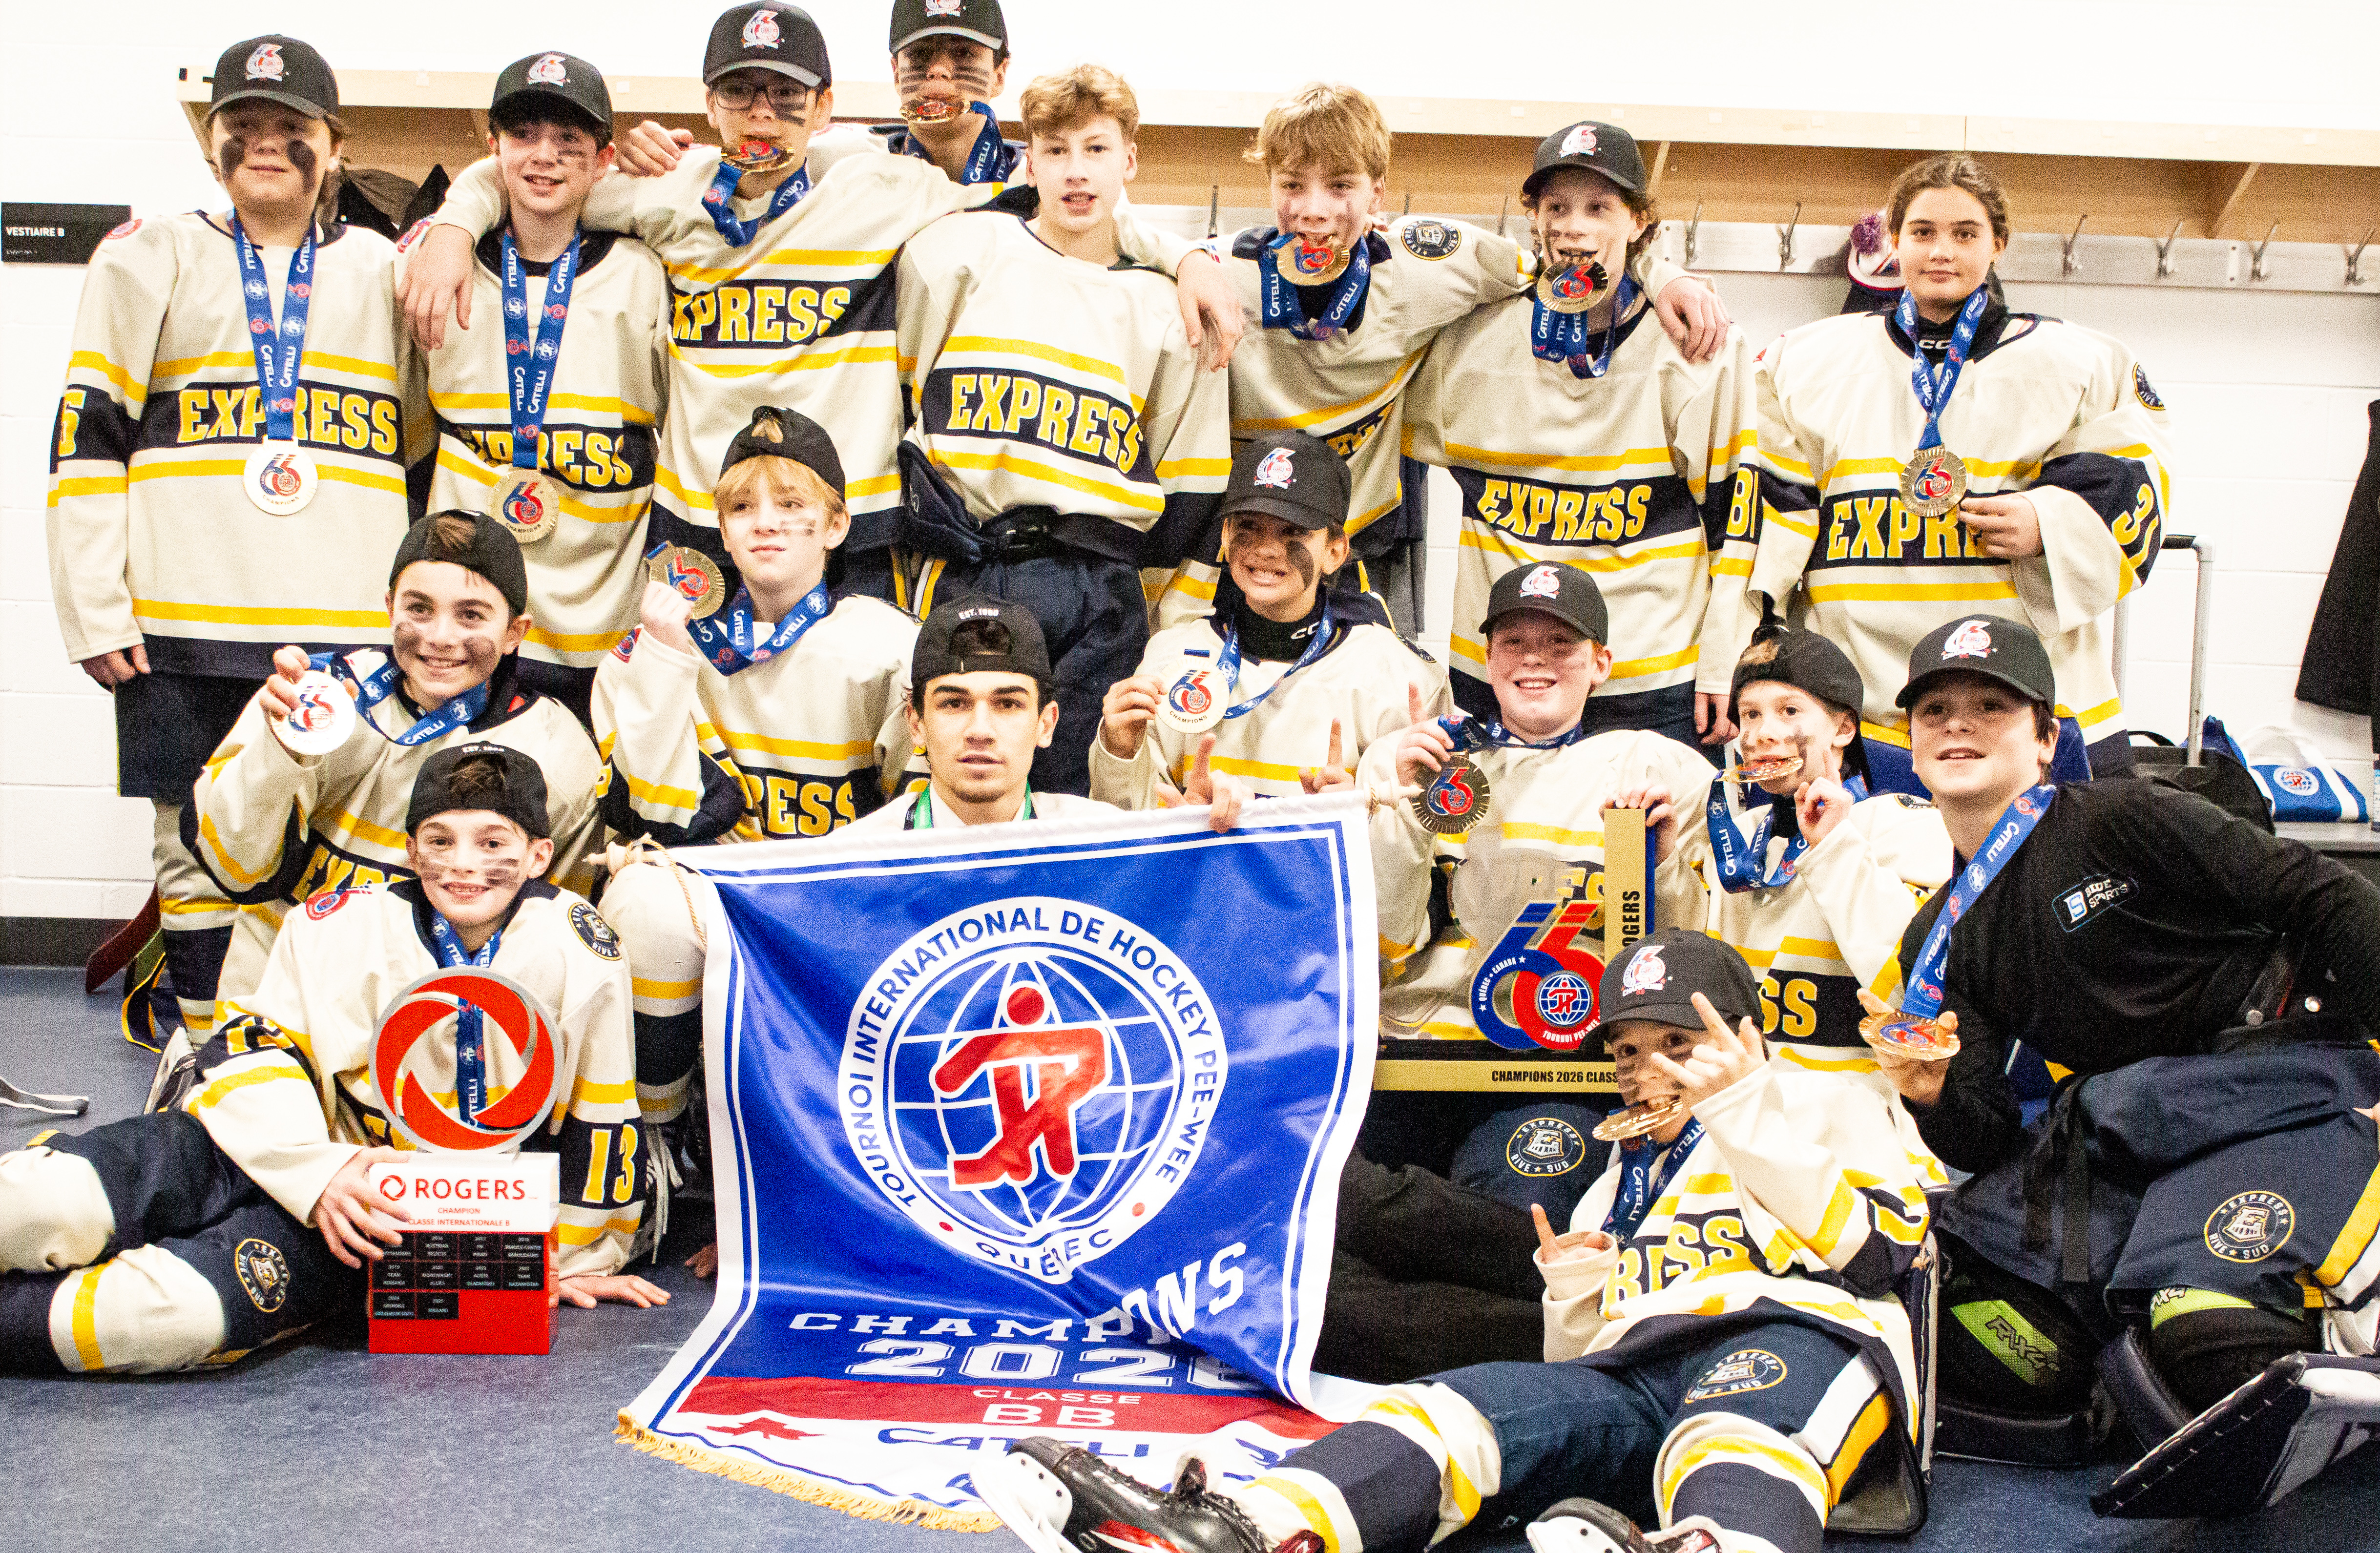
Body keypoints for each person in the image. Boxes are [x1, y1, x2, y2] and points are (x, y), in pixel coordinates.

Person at [981, 931, 1935, 1553]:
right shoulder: (1627, 1167)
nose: (1647, 1070)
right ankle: (1232, 1531)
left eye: (1676, 1043)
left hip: (1799, 1336)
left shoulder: (1832, 1098)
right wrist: (1572, 1291)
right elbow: (1580, 1359)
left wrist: (1740, 1109)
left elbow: (1878, 1256)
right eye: (1628, 1052)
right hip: (1634, 1371)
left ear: (1745, 1033)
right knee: (1460, 1409)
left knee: (1730, 1429)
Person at [395, 4, 1241, 611]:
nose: (762, 113)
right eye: (740, 93)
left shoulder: (885, 186)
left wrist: (1189, 255)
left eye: (786, 95)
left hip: (853, 524)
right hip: (702, 519)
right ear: (709, 102)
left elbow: (1061, 202)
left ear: (827, 107)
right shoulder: (668, 192)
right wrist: (449, 226)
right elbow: (537, 178)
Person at [1865, 614, 2380, 1453]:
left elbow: (2322, 895)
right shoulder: (1932, 942)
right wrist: (1928, 1095)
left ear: (2044, 740)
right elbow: (1986, 1128)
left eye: (1989, 706)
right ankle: (2136, 1368)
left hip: (2272, 1082)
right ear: (1912, 748)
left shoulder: (2118, 814)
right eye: (1934, 711)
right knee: (1976, 1329)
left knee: (2206, 1327)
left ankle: (2309, 1329)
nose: (1956, 723)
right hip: (2138, 1131)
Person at [0, 745, 665, 1376]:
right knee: (42, 1199)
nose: (464, 864)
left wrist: (570, 1255)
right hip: (258, 1147)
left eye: (492, 842)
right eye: (439, 841)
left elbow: (600, 1111)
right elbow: (254, 1048)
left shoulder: (580, 948)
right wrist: (320, 1171)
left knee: (167, 1316)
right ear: (410, 850)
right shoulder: (334, 924)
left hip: (381, 1223)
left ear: (539, 854)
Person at [47, 34, 423, 1035]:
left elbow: (422, 446)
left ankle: (317, 1053)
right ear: (210, 146)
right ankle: (208, 1047)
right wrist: (93, 605)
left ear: (331, 146)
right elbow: (87, 439)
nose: (265, 145)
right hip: (181, 623)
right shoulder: (146, 256)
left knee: (335, 846)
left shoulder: (387, 271)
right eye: (241, 128)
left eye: (289, 129)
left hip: (344, 629)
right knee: (192, 849)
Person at [1319, 560, 1716, 1382]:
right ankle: (1585, 1326)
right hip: (1416, 1061)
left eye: (1559, 644)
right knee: (1322, 1217)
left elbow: (1679, 943)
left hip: (1552, 1069)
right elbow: (1385, 937)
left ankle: (1515, 1321)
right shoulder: (1433, 766)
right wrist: (1387, 808)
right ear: (1486, 656)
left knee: (1508, 1216)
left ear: (1600, 662)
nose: (1535, 658)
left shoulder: (1651, 762)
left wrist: (1669, 854)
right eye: (1514, 641)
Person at [1154, 83, 1729, 634]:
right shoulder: (1224, 274)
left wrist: (1662, 274)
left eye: (1339, 186)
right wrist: (1184, 259)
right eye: (1292, 185)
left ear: (1377, 195)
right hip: (1240, 552)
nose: (1313, 209)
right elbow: (1122, 234)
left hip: (1363, 552)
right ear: (1267, 184)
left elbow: (1558, 264)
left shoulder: (1427, 264)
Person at [1724, 153, 2173, 791]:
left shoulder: (2081, 362)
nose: (1942, 251)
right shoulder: (1803, 361)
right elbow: (1761, 526)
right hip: (1861, 711)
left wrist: (2049, 520)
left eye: (1965, 233)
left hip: (2023, 711)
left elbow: (2137, 473)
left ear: (1998, 243)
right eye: (1923, 232)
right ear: (1893, 240)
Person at [892, 63, 1232, 796]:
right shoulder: (957, 256)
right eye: (1055, 151)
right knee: (962, 793)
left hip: (1099, 586)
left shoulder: (1167, 310)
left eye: (1097, 150)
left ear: (1130, 159)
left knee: (1080, 805)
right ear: (1029, 159)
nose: (1076, 173)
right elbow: (909, 393)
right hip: (973, 565)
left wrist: (1171, 630)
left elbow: (1190, 486)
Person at [595, 406, 919, 1130]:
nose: (764, 522)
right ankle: (653, 1139)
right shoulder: (667, 643)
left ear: (836, 526)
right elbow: (662, 812)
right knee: (642, 904)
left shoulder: (886, 642)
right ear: (722, 530)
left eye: (791, 504)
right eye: (742, 507)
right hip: (723, 898)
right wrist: (665, 657)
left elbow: (924, 805)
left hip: (848, 896)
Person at [1401, 120, 1758, 748]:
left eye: (1599, 208)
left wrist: (1724, 653)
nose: (1573, 226)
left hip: (1640, 683)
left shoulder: (1695, 348)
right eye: (1556, 206)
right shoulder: (1470, 341)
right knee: (1500, 845)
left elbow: (1736, 523)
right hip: (1504, 683)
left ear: (1639, 221)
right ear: (1532, 217)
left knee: (1626, 847)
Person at [186, 512, 604, 1011]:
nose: (441, 636)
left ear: (515, 631)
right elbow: (234, 871)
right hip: (284, 1000)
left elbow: (547, 932)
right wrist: (282, 753)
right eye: (419, 608)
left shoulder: (557, 750)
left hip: (442, 1026)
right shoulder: (316, 695)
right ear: (388, 608)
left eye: (471, 615)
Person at [407, 51, 671, 726]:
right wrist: (450, 227)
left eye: (568, 142)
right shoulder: (437, 269)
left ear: (604, 158)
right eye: (524, 136)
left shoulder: (644, 272)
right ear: (492, 147)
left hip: (601, 617)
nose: (544, 158)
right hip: (471, 629)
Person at [1093, 431, 1447, 808]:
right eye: (1248, 526)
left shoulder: (1394, 673)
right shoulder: (1170, 657)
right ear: (1226, 536)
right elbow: (1124, 833)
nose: (1265, 548)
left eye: (1293, 531)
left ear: (1334, 550)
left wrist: (1358, 816)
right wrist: (1119, 751)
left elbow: (1418, 847)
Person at [1692, 625, 1954, 1075]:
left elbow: (1913, 992)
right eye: (1750, 714)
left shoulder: (1908, 823)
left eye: (1789, 710)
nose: (1760, 734)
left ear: (1843, 728)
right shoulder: (1736, 841)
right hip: (1749, 1102)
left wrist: (1835, 846)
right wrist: (1656, 865)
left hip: (1866, 1107)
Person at [851, 597, 1250, 837]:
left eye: (1008, 704)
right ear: (916, 723)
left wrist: (1197, 851)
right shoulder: (852, 862)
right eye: (955, 703)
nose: (980, 730)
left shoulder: (1094, 844)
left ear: (1047, 724)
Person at [805, 0, 1021, 188]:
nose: (938, 70)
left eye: (963, 53)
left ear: (999, 77)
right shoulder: (838, 170)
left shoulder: (1037, 182)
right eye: (920, 53)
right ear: (897, 75)